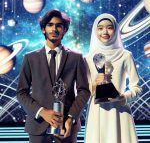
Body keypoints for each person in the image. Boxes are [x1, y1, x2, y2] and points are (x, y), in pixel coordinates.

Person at [16, 9, 90, 143]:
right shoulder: (30, 58)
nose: (54, 29)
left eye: (58, 25)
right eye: (50, 25)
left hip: (67, 127)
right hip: (38, 125)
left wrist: (71, 118)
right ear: (43, 29)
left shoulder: (76, 57)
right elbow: (21, 92)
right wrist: (42, 112)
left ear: (64, 30)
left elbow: (84, 91)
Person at [85, 13, 142, 143]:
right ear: (95, 30)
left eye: (109, 27)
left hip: (120, 112)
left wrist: (124, 97)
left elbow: (137, 87)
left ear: (116, 30)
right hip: (97, 113)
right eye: (100, 28)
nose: (104, 31)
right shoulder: (88, 58)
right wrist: (94, 84)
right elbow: (83, 90)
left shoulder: (125, 55)